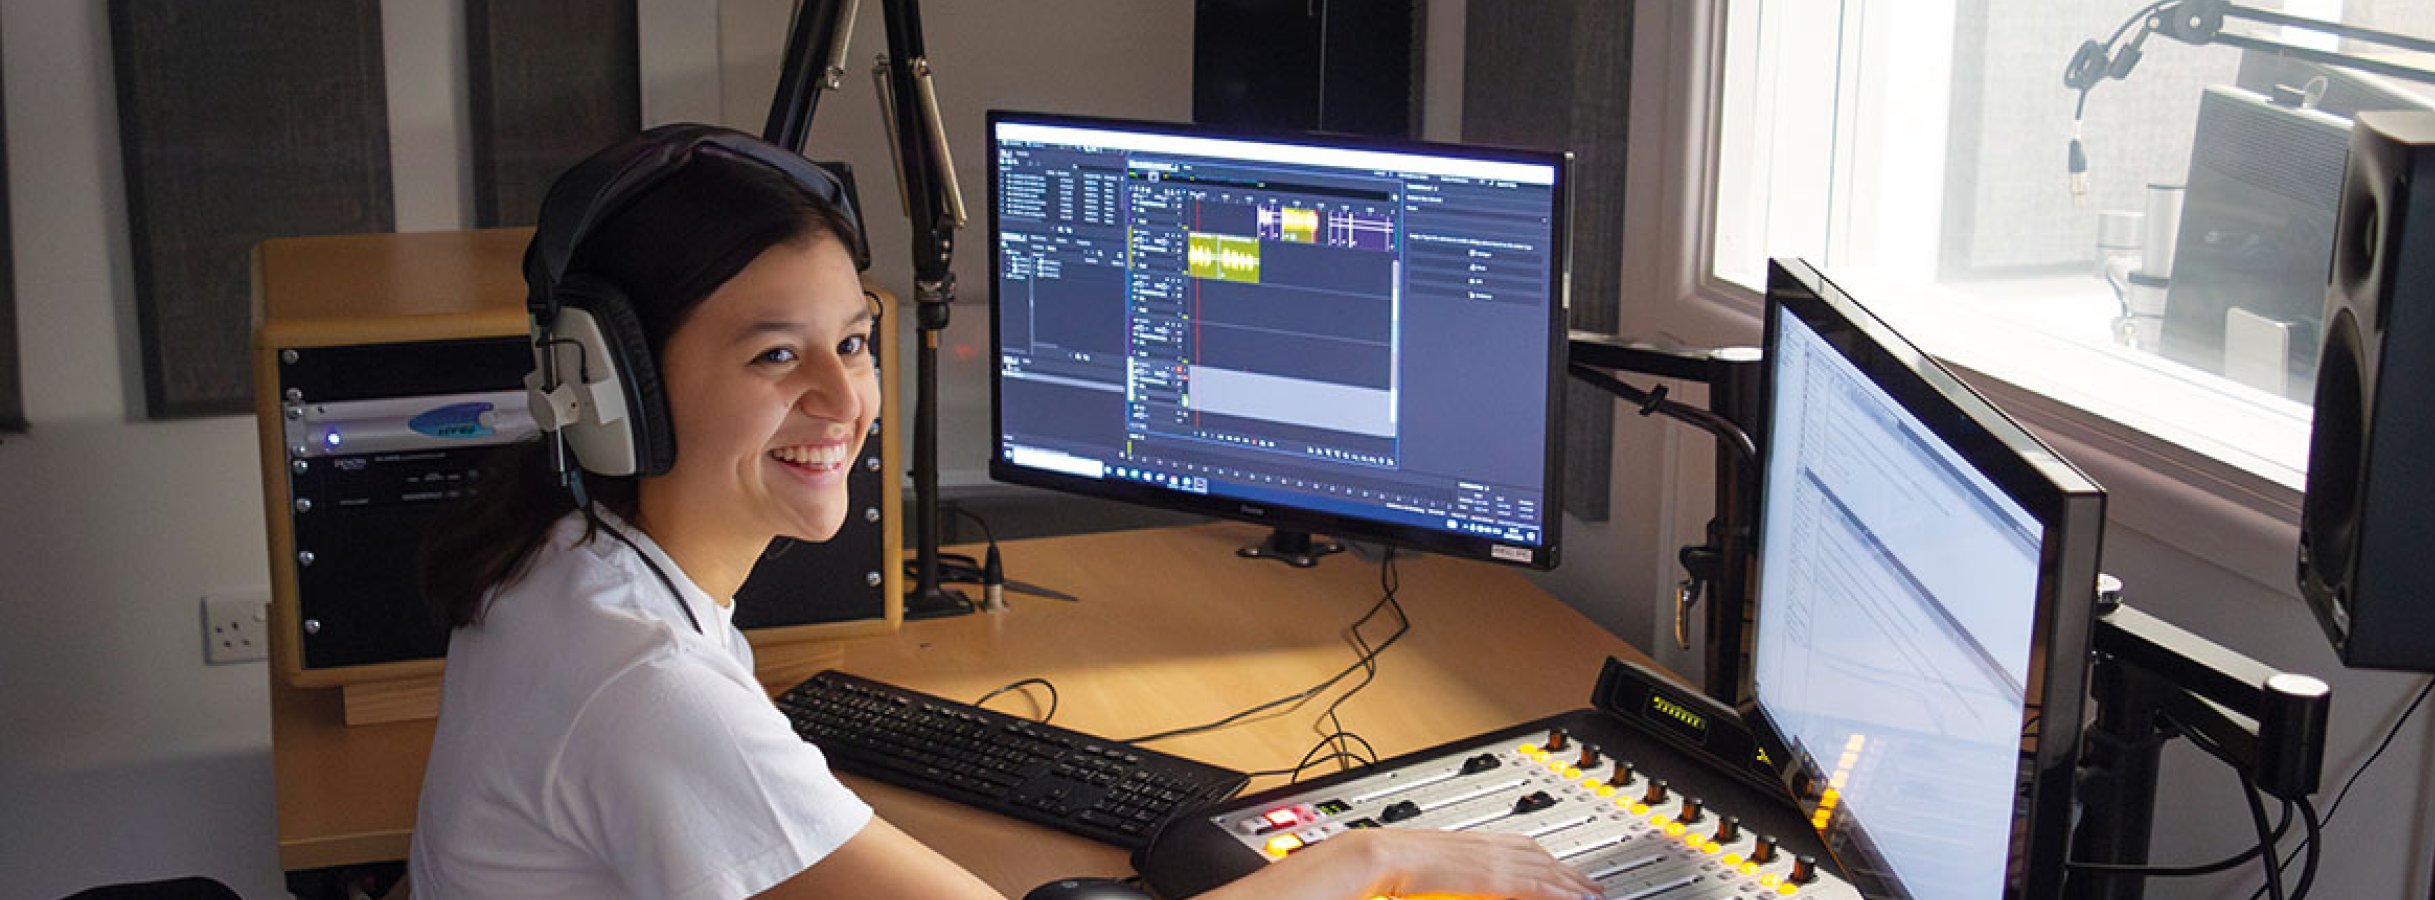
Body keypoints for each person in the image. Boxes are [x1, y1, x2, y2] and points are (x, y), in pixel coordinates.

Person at [407, 125, 1604, 900]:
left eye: (856, 343)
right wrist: (1375, 852)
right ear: (615, 387)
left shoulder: (562, 566)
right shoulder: (642, 685)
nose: (843, 398)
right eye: (776, 356)